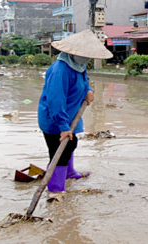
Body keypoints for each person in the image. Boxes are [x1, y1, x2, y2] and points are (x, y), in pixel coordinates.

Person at [38, 29, 112, 201]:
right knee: (59, 153)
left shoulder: (78, 65)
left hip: (71, 114)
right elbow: (55, 102)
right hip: (55, 119)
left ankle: (70, 173)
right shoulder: (60, 71)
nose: (86, 59)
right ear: (72, 52)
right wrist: (63, 127)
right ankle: (55, 190)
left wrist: (89, 90)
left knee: (71, 144)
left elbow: (84, 82)